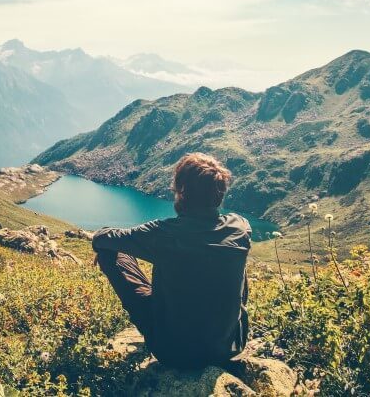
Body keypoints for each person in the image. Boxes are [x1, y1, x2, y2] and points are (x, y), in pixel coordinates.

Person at [92, 152, 251, 369]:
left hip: (175, 352)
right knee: (234, 258)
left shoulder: (164, 233)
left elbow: (102, 237)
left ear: (182, 192)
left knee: (112, 251)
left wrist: (104, 248)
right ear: (220, 193)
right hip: (229, 347)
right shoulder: (240, 227)